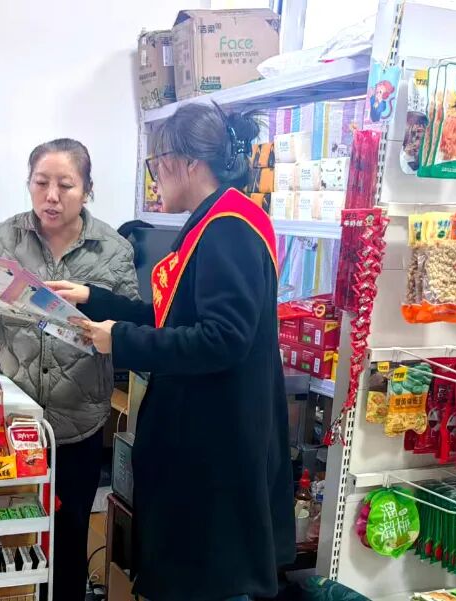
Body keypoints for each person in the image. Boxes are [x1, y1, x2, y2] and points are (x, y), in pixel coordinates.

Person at [49, 104, 294, 601]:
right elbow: (172, 315)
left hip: (216, 446)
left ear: (187, 162)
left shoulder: (229, 227)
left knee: (209, 580)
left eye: (157, 164)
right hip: (204, 436)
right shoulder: (216, 218)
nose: (155, 177)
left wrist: (121, 340)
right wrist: (93, 298)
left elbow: (222, 337)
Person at [0, 138, 139, 601]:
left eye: (65, 185)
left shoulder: (114, 249)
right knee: (7, 526)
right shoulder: (3, 240)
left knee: (70, 532)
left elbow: (132, 324)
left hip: (79, 417)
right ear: (29, 184)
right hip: (13, 417)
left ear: (87, 189)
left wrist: (97, 315)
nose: (51, 196)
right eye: (41, 183)